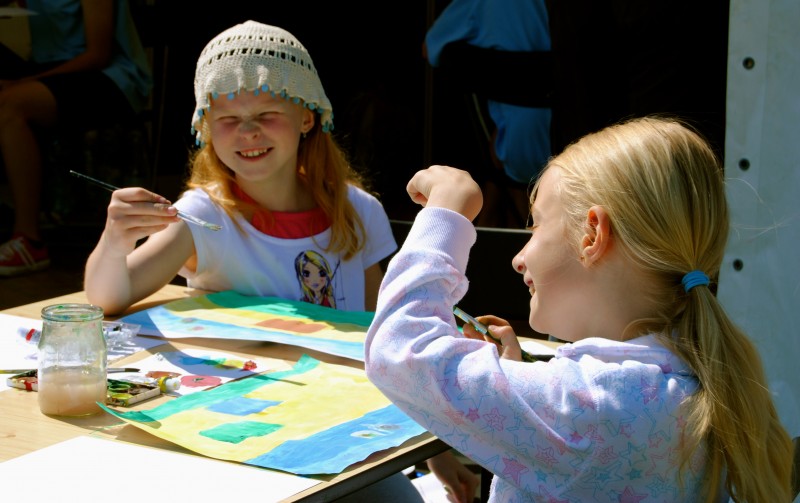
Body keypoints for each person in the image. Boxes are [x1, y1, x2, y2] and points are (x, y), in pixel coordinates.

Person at [82, 20, 477, 502]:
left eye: (267, 113)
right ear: (205, 129)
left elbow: (389, 334)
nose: (247, 132)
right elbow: (108, 296)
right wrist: (113, 237)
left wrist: (431, 448)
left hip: (345, 434)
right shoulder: (203, 215)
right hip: (241, 437)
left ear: (307, 118)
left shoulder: (359, 211)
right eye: (227, 119)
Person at [365, 116, 794, 501]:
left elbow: (398, 350)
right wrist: (519, 375)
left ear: (592, 235)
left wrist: (446, 215)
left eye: (534, 226)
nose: (519, 258)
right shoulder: (695, 374)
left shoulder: (589, 408)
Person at [0, 0, 153, 277]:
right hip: (49, 71)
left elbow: (98, 54)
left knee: (11, 105)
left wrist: (25, 83)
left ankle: (28, 239)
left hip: (106, 78)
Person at [423, 0, 552, 228]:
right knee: (496, 162)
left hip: (522, 148)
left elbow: (429, 49)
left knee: (504, 170)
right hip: (571, 133)